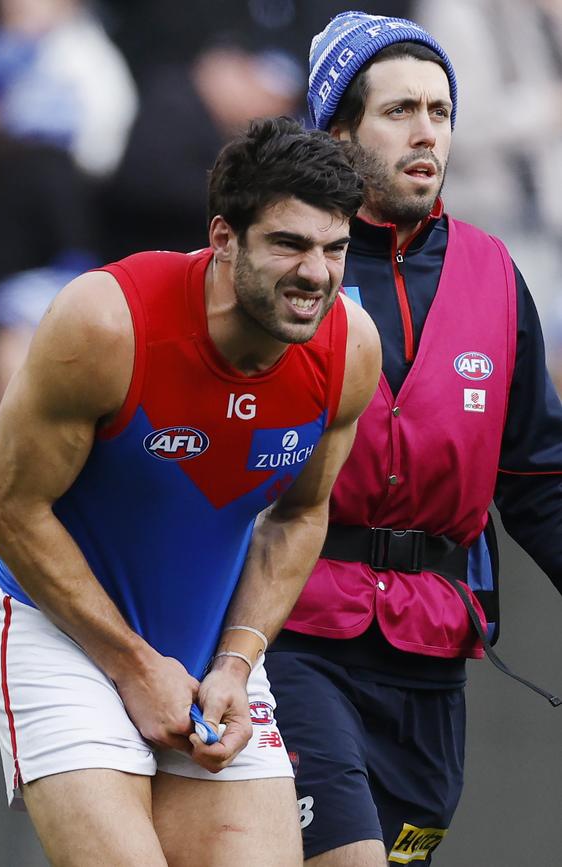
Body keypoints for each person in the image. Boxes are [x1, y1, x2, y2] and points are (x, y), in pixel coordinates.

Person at [0, 116, 381, 867]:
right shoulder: (106, 321)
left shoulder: (350, 345)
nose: (317, 274)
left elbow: (300, 515)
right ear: (224, 237)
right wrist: (134, 665)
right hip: (62, 639)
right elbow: (7, 508)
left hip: (208, 657)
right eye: (288, 244)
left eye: (334, 248)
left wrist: (234, 661)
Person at [264, 12, 562, 867]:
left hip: (435, 646)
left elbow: (538, 477)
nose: (427, 130)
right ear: (338, 128)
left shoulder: (495, 273)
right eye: (399, 110)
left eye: (441, 109)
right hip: (295, 631)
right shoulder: (284, 261)